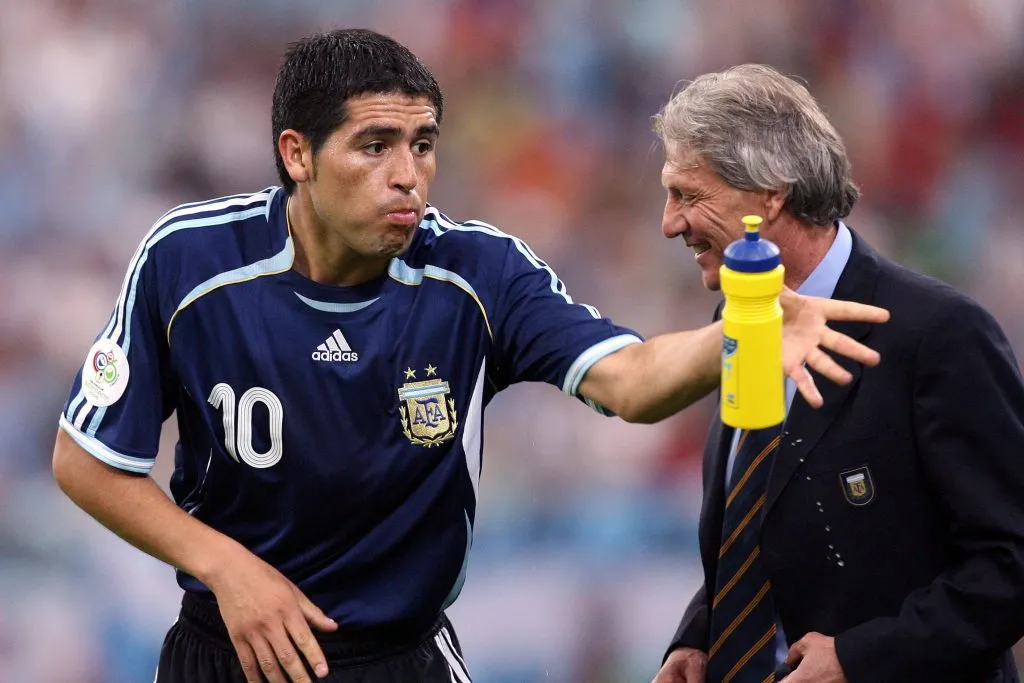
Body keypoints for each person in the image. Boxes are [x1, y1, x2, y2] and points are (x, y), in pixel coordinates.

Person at [51, 31, 887, 683]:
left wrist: (750, 327)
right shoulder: (190, 262)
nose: (409, 175)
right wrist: (224, 565)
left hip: (399, 656)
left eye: (423, 143)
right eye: (374, 145)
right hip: (224, 650)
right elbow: (85, 460)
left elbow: (631, 384)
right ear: (296, 154)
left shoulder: (477, 272)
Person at [651, 64, 1024, 683]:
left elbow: (1011, 561)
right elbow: (758, 534)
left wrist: (861, 657)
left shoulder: (936, 334)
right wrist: (697, 638)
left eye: (688, 195)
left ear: (770, 194)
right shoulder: (736, 323)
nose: (669, 223)